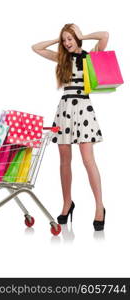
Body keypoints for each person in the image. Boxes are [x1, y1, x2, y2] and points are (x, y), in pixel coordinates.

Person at [32, 23, 108, 231]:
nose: (67, 43)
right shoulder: (61, 58)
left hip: (83, 108)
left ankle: (99, 206)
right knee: (65, 161)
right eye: (64, 40)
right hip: (64, 109)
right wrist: (58, 39)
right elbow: (36, 47)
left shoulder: (89, 56)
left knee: (87, 160)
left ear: (77, 38)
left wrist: (83, 35)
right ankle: (67, 203)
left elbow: (104, 35)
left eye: (70, 39)